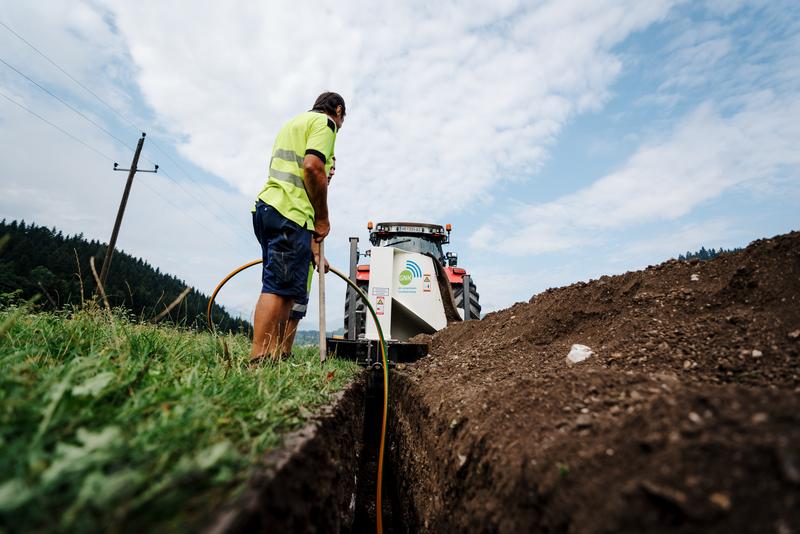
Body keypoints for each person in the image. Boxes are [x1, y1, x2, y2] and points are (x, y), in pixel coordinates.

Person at [251, 93, 345, 363]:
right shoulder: (326, 125)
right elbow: (312, 167)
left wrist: (314, 246)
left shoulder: (293, 124)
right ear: (338, 111)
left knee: (285, 291)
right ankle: (259, 358)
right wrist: (323, 218)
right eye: (341, 120)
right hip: (289, 212)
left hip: (269, 208)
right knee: (278, 289)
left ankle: (273, 357)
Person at [280, 158, 334, 357]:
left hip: (307, 263)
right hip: (297, 251)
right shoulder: (309, 189)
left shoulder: (318, 194)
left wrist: (318, 255)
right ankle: (274, 351)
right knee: (285, 301)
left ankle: (285, 352)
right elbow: (307, 226)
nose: (333, 172)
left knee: (297, 308)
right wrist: (317, 254)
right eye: (331, 166)